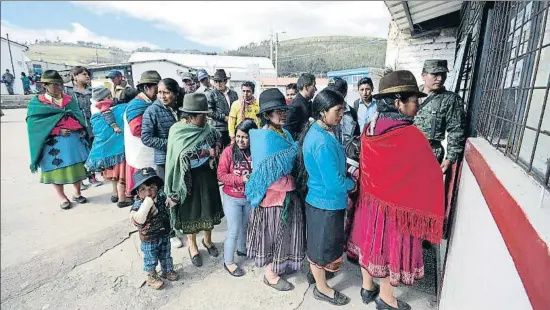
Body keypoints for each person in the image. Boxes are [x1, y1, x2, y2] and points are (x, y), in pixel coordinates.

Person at [346, 70, 445, 310]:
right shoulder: (410, 135)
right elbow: (428, 175)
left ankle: (368, 287)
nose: (418, 106)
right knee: (389, 250)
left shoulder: (371, 126)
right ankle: (387, 299)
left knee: (369, 244)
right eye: (414, 100)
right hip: (395, 209)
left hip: (369, 202)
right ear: (398, 102)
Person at [297, 88, 356, 305]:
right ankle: (322, 288)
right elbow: (334, 183)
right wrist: (353, 183)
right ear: (323, 112)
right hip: (326, 202)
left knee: (319, 243)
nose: (341, 114)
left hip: (320, 199)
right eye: (337, 110)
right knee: (321, 247)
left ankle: (317, 275)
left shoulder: (319, 131)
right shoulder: (322, 141)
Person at [244, 88, 306, 291]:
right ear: (266, 115)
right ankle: (270, 274)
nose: (282, 114)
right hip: (273, 198)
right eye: (277, 111)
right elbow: (276, 167)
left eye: (283, 110)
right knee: (273, 235)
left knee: (286, 233)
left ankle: (280, 264)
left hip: (288, 192)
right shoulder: (264, 138)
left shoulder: (285, 133)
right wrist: (295, 152)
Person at [164, 93, 224, 268]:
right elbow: (182, 156)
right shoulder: (178, 131)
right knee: (191, 212)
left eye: (206, 115)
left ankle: (208, 241)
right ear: (190, 116)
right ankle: (193, 246)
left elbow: (217, 138)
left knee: (208, 208)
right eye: (201, 116)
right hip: (188, 179)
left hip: (207, 174)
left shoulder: (207, 128)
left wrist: (216, 148)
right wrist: (206, 153)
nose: (205, 118)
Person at [26, 70, 90, 210]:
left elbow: (77, 115)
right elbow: (35, 126)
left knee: (77, 168)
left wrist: (80, 128)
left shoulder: (69, 99)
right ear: (45, 86)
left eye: (60, 84)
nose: (59, 88)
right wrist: (57, 130)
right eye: (55, 85)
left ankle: (77, 193)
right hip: (53, 144)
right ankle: (62, 197)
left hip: (73, 142)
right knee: (56, 169)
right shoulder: (37, 103)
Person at [217, 119, 257, 277]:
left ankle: (242, 249)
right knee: (233, 229)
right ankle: (228, 262)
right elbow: (220, 175)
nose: (240, 140)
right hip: (231, 197)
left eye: (245, 137)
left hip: (248, 197)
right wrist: (240, 180)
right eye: (238, 136)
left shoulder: (255, 151)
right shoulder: (228, 152)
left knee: (245, 226)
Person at [129, 167, 179, 290]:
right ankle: (151, 276)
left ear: (157, 187)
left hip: (164, 231)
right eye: (143, 189)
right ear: (137, 192)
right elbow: (136, 219)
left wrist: (173, 199)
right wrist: (146, 206)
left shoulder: (161, 196)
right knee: (150, 257)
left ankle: (167, 270)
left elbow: (170, 201)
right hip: (149, 237)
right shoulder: (138, 204)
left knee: (165, 253)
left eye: (151, 187)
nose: (148, 192)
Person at [414, 59, 466, 173]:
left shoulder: (450, 99)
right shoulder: (412, 95)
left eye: (443, 74)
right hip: (407, 151)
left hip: (431, 152)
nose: (440, 79)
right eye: (435, 74)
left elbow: (456, 130)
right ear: (423, 75)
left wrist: (450, 158)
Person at [86, 86, 133, 208]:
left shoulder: (94, 109)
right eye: (108, 97)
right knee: (121, 175)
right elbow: (110, 120)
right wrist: (115, 126)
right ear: (102, 99)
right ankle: (123, 198)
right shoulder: (110, 109)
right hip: (118, 149)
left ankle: (115, 194)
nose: (111, 98)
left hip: (107, 151)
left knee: (113, 175)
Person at [124, 70, 161, 198]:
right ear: (146, 87)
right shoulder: (137, 105)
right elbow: (137, 129)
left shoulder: (147, 103)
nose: (159, 93)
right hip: (142, 155)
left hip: (147, 152)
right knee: (146, 191)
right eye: (157, 89)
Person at [65, 66, 102, 188]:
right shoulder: (67, 90)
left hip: (91, 125)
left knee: (91, 151)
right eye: (84, 74)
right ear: (75, 76)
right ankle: (79, 181)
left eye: (88, 74)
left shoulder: (91, 90)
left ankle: (92, 176)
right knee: (79, 153)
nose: (87, 76)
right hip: (75, 126)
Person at [141, 78, 180, 183]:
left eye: (166, 92)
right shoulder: (152, 111)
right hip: (164, 160)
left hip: (181, 157)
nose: (162, 96)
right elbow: (146, 138)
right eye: (159, 92)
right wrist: (171, 144)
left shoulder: (179, 109)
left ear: (175, 93)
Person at [205, 69, 239, 147]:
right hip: (219, 129)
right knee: (220, 152)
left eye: (220, 81)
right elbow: (209, 112)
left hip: (233, 127)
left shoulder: (234, 94)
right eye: (216, 81)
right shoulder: (211, 94)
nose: (218, 84)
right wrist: (224, 117)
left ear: (225, 81)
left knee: (232, 150)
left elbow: (237, 108)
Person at [327, 77, 360, 147]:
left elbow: (356, 136)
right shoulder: (325, 111)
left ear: (344, 93)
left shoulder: (352, 112)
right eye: (330, 92)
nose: (331, 95)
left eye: (335, 93)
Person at [285, 73, 317, 139]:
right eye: (313, 86)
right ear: (306, 87)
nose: (315, 89)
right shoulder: (295, 106)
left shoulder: (309, 103)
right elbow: (288, 133)